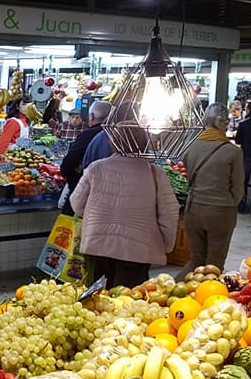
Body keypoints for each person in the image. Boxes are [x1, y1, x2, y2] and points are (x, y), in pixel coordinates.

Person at [70, 114, 180, 289]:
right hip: (138, 249)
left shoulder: (96, 168)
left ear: (114, 142)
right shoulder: (155, 173)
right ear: (144, 142)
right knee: (129, 302)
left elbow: (76, 203)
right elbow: (169, 214)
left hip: (98, 246)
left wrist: (96, 215)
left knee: (99, 297)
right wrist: (166, 245)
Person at [180, 103, 245, 275]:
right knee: (214, 264)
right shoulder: (233, 152)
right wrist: (229, 204)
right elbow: (238, 188)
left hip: (193, 208)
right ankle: (207, 297)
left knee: (196, 260)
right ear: (223, 122)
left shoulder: (190, 146)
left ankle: (176, 292)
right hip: (220, 211)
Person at [59, 100, 111, 215]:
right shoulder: (120, 136)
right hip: (109, 199)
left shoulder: (87, 135)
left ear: (91, 117)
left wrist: (66, 174)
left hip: (84, 194)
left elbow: (69, 163)